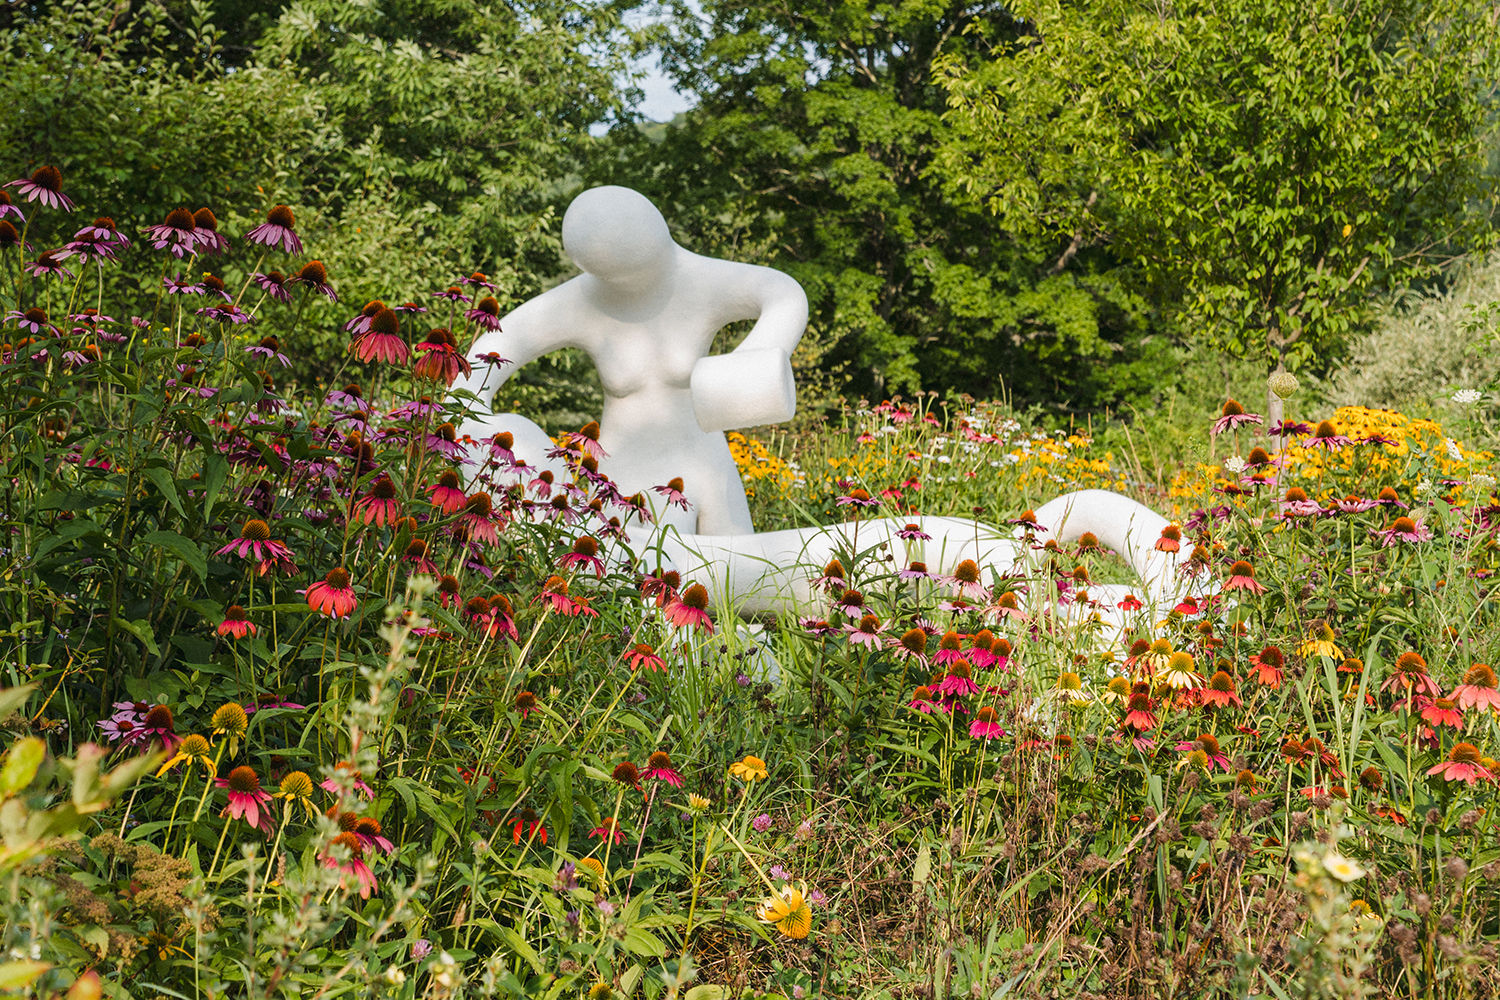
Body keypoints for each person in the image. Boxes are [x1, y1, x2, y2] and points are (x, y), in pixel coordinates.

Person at [451, 186, 808, 535]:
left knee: (735, 582)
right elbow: (481, 365)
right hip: (616, 487)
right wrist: (479, 435)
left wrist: (756, 353)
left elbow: (782, 294)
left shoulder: (702, 281)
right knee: (616, 586)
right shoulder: (580, 300)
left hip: (703, 474)